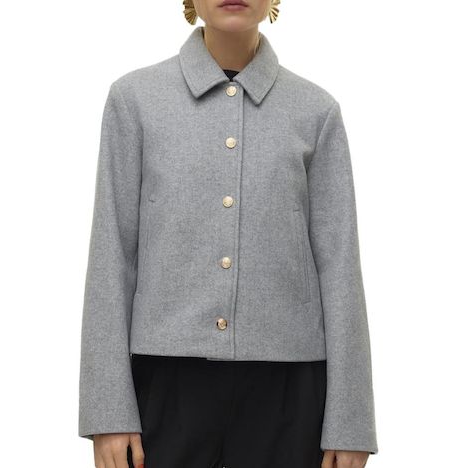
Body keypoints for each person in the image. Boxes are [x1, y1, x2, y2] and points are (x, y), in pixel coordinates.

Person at [78, 1, 379, 467]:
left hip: (289, 392)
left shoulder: (316, 112)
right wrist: (108, 411)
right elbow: (111, 255)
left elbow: (340, 267)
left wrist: (351, 420)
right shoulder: (134, 100)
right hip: (164, 386)